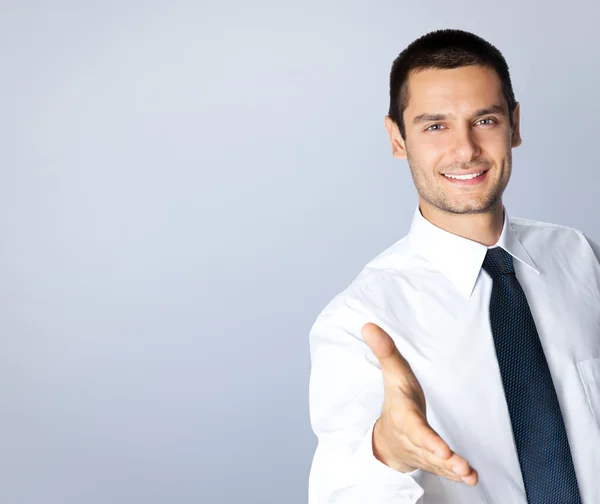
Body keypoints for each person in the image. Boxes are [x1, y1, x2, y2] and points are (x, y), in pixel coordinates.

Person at [307, 29, 600, 504]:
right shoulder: (359, 321)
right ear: (398, 139)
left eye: (484, 119)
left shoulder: (581, 257)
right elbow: (338, 495)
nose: (465, 150)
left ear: (514, 125)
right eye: (435, 126)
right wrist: (389, 453)